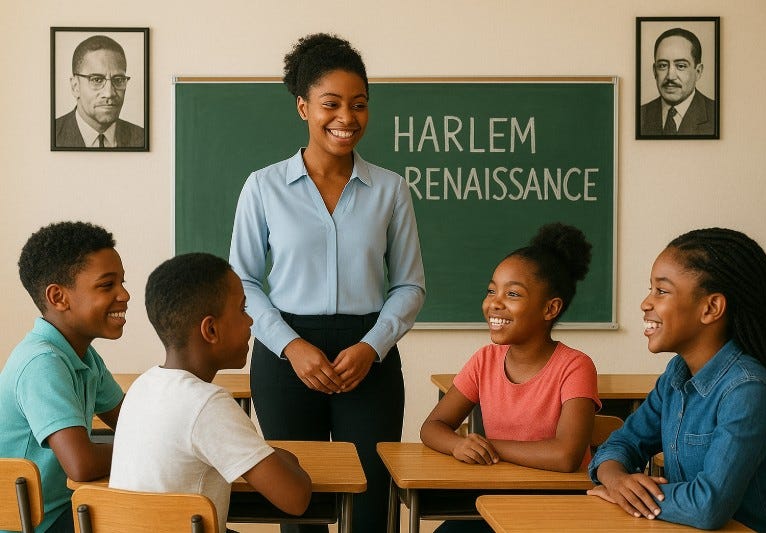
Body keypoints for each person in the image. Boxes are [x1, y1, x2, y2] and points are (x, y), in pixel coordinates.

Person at [228, 33, 425, 533]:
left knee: (371, 504)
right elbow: (243, 282)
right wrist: (291, 346)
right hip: (286, 355)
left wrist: (372, 346)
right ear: (302, 107)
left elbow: (409, 285)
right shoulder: (263, 186)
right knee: (299, 504)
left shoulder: (390, 189)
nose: (346, 117)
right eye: (330, 104)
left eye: (359, 105)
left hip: (368, 356)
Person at [588, 228, 766, 532]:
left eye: (661, 291)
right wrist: (618, 480)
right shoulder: (677, 374)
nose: (645, 303)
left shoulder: (747, 390)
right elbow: (623, 442)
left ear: (711, 308)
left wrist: (636, 497)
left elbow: (707, 506)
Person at [109, 253, 312, 533]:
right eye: (242, 309)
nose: (251, 321)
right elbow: (296, 499)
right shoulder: (207, 404)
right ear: (211, 329)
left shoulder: (143, 387)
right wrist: (287, 458)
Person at [420, 223, 600, 533]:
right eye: (492, 290)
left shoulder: (575, 366)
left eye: (513, 293)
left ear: (550, 308)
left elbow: (566, 455)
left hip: (562, 507)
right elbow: (432, 427)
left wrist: (490, 446)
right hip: (499, 499)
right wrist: (457, 446)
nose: (495, 303)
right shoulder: (484, 361)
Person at [0, 221, 128, 533]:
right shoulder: (42, 362)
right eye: (107, 285)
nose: (124, 295)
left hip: (63, 510)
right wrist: (152, 447)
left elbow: (131, 421)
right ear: (58, 297)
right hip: (32, 525)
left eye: (122, 282)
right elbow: (81, 464)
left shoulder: (82, 355)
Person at [54, 34, 144, 148]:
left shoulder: (142, 137)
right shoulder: (50, 135)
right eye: (97, 80)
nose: (109, 93)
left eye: (118, 80)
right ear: (75, 86)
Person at [639, 28, 716, 136]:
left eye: (681, 66)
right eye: (662, 66)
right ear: (654, 71)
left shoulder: (716, 114)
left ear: (698, 72)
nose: (670, 76)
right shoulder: (640, 115)